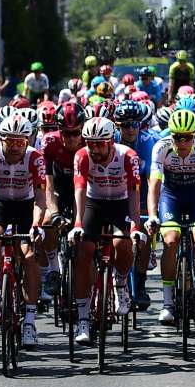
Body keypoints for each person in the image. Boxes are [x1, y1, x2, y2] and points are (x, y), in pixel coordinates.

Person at [0, 113, 47, 347]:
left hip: (26, 204)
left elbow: (41, 200)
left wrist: (36, 226)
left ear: (28, 141)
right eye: (10, 141)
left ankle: (30, 322)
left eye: (20, 142)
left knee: (29, 256)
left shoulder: (35, 158)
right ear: (1, 140)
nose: (14, 147)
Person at [66, 116, 143, 344]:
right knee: (84, 251)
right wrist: (77, 224)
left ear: (111, 141)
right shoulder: (81, 156)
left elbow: (135, 193)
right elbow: (78, 191)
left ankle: (120, 284)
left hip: (121, 202)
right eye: (90, 143)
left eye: (99, 144)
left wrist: (135, 226)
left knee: (123, 243)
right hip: (94, 202)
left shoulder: (128, 156)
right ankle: (82, 318)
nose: (94, 148)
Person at [146, 110, 195, 326]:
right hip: (172, 196)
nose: (182, 142)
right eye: (177, 136)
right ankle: (167, 303)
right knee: (170, 240)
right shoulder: (161, 147)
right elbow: (154, 186)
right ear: (171, 135)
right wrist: (152, 216)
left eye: (187, 137)